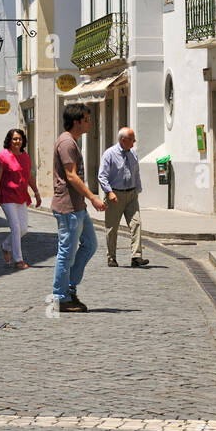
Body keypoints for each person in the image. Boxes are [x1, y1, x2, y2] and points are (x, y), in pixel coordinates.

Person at [51, 103, 106, 312]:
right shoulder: (67, 143)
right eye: (87, 119)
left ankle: (69, 288)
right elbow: (71, 175)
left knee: (90, 244)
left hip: (77, 206)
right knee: (66, 253)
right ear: (77, 122)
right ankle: (60, 297)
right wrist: (93, 197)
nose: (90, 122)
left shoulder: (72, 141)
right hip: (68, 206)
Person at [0, 128, 41, 268]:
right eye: (14, 139)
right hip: (6, 196)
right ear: (9, 140)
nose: (17, 141)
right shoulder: (3, 156)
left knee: (24, 228)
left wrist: (36, 193)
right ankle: (18, 260)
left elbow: (29, 176)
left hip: (21, 196)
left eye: (19, 138)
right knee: (16, 227)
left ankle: (5, 246)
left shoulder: (25, 156)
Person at [99, 126, 149, 267]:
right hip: (115, 194)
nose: (134, 142)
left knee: (136, 224)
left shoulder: (133, 153)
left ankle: (136, 256)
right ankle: (111, 257)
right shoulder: (109, 154)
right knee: (112, 228)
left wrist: (137, 191)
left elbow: (136, 172)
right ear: (123, 140)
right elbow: (102, 176)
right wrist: (109, 192)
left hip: (131, 194)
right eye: (132, 140)